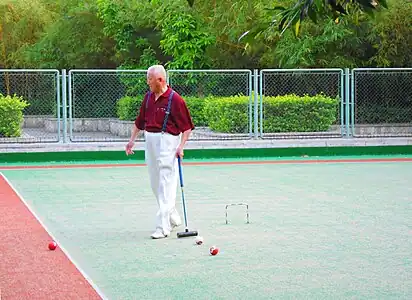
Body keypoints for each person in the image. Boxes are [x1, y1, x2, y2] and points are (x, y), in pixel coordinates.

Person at [125, 65, 195, 239]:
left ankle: (162, 227)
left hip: (168, 143)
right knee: (155, 184)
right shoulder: (148, 97)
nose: (147, 82)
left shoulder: (176, 100)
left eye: (150, 79)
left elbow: (187, 128)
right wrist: (131, 141)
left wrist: (181, 146)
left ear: (160, 80)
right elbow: (139, 121)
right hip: (150, 141)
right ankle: (171, 214)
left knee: (165, 183)